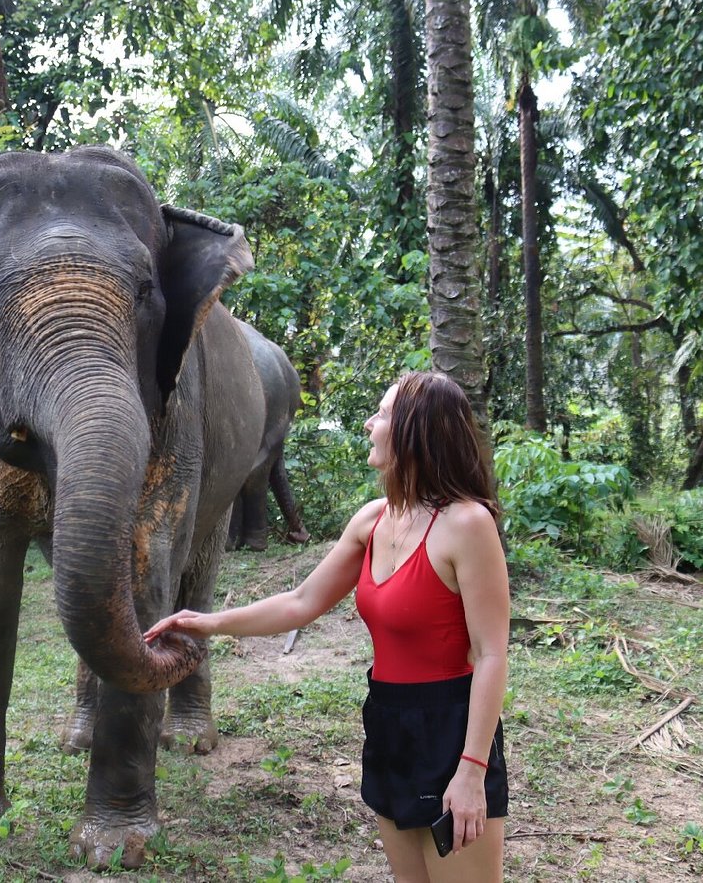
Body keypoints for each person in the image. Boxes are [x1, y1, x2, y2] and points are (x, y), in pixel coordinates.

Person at [145, 371, 510, 883]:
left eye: (382, 414)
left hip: (452, 728)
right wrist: (207, 622)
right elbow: (300, 603)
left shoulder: (467, 524)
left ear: (414, 432)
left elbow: (492, 652)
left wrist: (471, 769)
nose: (369, 424)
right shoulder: (374, 520)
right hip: (388, 719)